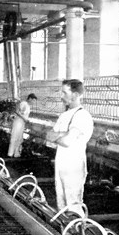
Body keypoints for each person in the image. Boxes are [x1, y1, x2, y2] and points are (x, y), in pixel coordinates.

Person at [45, 79, 94, 215]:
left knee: (73, 206)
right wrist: (63, 134)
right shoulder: (64, 116)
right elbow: (48, 137)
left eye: (64, 93)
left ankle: (78, 234)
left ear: (75, 94)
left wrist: (60, 135)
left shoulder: (82, 116)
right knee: (61, 205)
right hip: (61, 163)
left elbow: (66, 141)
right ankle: (65, 234)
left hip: (73, 166)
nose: (61, 96)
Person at [7, 93, 37, 158]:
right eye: (33, 101)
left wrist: (26, 119)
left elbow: (23, 114)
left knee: (19, 139)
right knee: (14, 137)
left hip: (21, 123)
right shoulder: (24, 104)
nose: (34, 103)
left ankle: (16, 153)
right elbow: (17, 112)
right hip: (18, 122)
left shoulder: (28, 106)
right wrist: (25, 119)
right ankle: (10, 154)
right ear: (30, 99)